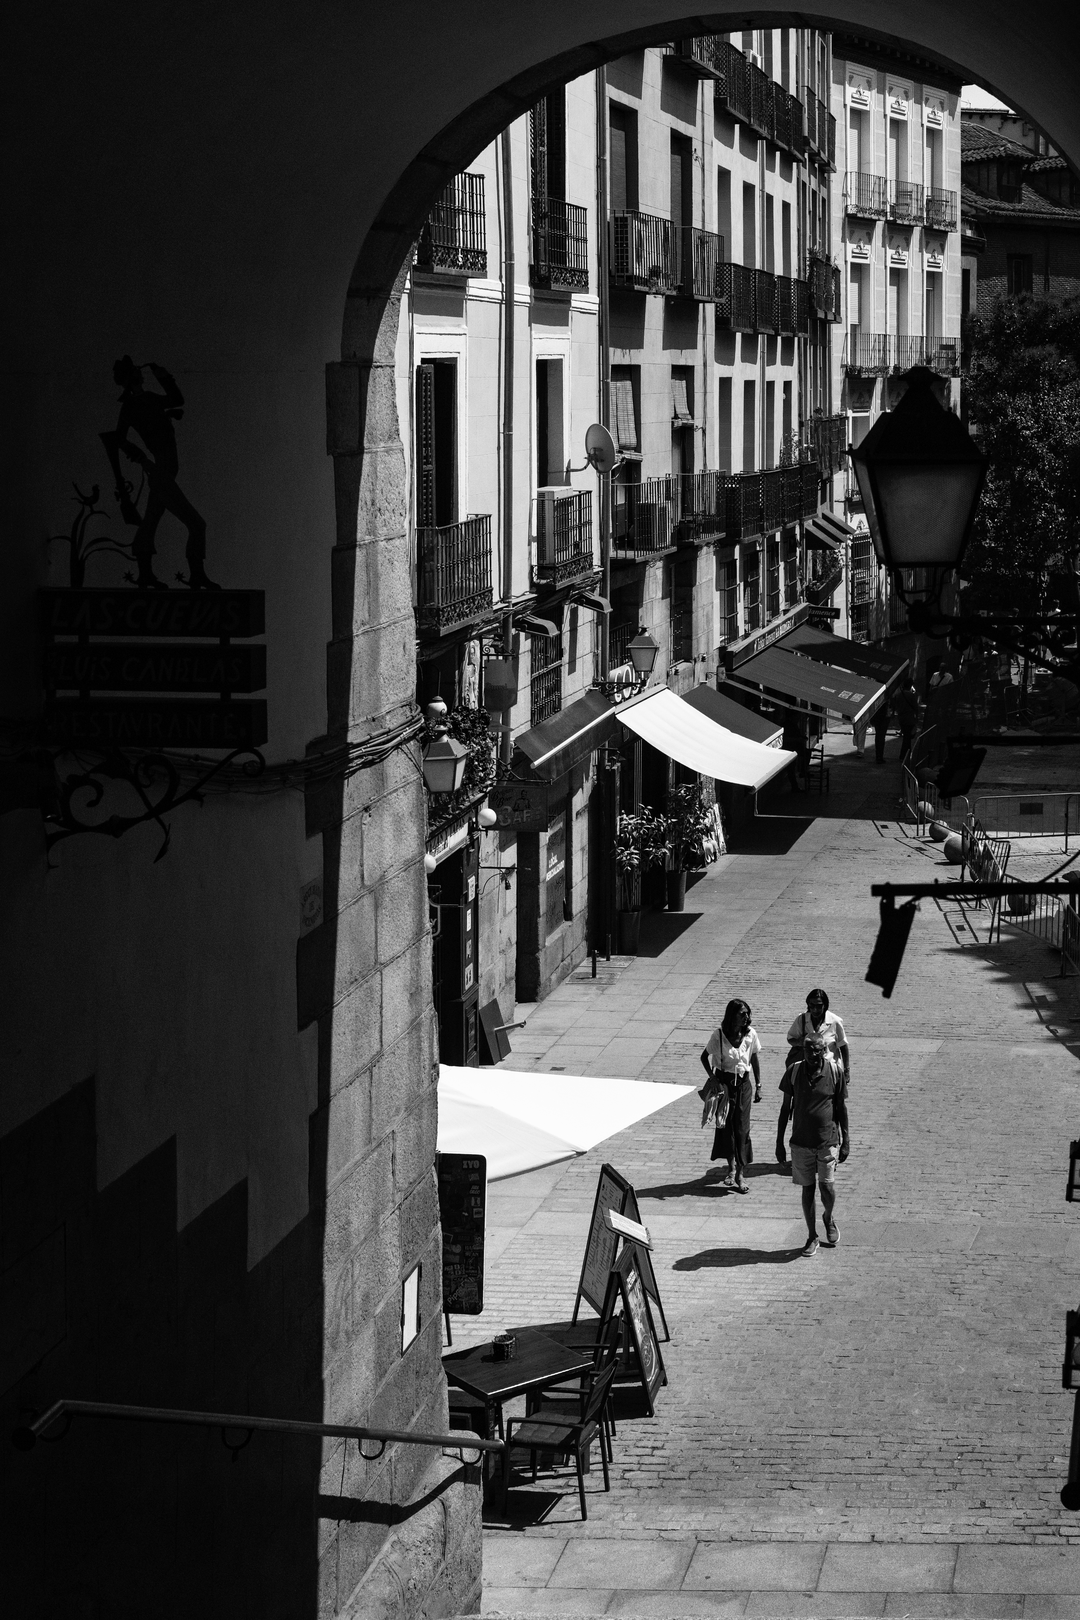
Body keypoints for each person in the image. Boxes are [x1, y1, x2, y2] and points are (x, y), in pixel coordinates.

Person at [100, 355, 219, 591]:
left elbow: (177, 399)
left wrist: (162, 376)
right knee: (196, 524)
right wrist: (143, 459)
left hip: (165, 470)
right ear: (130, 377)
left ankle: (146, 574)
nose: (140, 372)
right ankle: (196, 575)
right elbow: (118, 438)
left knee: (150, 523)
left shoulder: (150, 399)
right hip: (161, 471)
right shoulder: (131, 406)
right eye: (136, 370)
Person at [776, 1035, 850, 1257]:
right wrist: (779, 1142)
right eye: (807, 1050)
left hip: (828, 1140)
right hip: (800, 1142)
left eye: (815, 1050)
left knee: (826, 1186)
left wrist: (846, 1140)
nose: (811, 1054)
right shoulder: (794, 1071)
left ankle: (828, 1216)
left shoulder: (835, 1071)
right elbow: (784, 1109)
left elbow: (841, 1107)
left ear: (823, 1050)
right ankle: (811, 1236)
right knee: (807, 1188)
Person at [700, 998, 761, 1194]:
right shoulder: (719, 1036)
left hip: (743, 1085)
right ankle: (731, 1167)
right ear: (731, 1015)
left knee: (742, 1129)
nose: (746, 1018)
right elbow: (704, 1057)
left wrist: (759, 1085)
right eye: (741, 1014)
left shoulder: (751, 1035)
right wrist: (713, 1078)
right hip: (724, 1087)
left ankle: (741, 1174)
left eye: (747, 1014)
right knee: (726, 1128)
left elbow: (754, 1058)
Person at [781, 988, 849, 1092]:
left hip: (829, 1070)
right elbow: (791, 1038)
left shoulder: (835, 1021)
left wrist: (846, 1071)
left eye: (819, 1006)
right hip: (806, 1070)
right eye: (812, 1006)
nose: (815, 1010)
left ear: (825, 1005)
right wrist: (801, 1042)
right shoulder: (802, 1019)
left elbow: (843, 1046)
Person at [893, 682, 919, 762]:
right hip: (909, 717)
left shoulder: (899, 695)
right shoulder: (911, 695)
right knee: (908, 737)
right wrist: (917, 718)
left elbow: (895, 705)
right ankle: (905, 754)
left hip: (901, 717)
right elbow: (916, 707)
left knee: (906, 736)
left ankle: (905, 754)